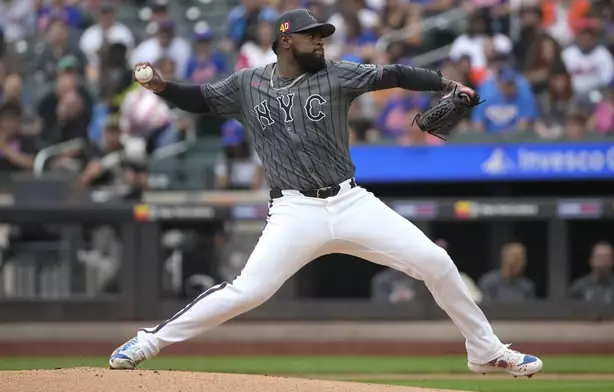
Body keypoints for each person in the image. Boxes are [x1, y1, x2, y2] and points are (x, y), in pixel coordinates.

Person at [109, 9, 543, 378]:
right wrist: (163, 89)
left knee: (436, 261)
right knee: (248, 291)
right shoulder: (248, 84)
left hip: (350, 200)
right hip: (293, 211)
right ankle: (148, 342)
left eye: (322, 36)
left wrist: (442, 83)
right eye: (311, 36)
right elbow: (199, 98)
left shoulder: (338, 74)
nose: (320, 43)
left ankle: (485, 351)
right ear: (285, 41)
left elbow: (391, 74)